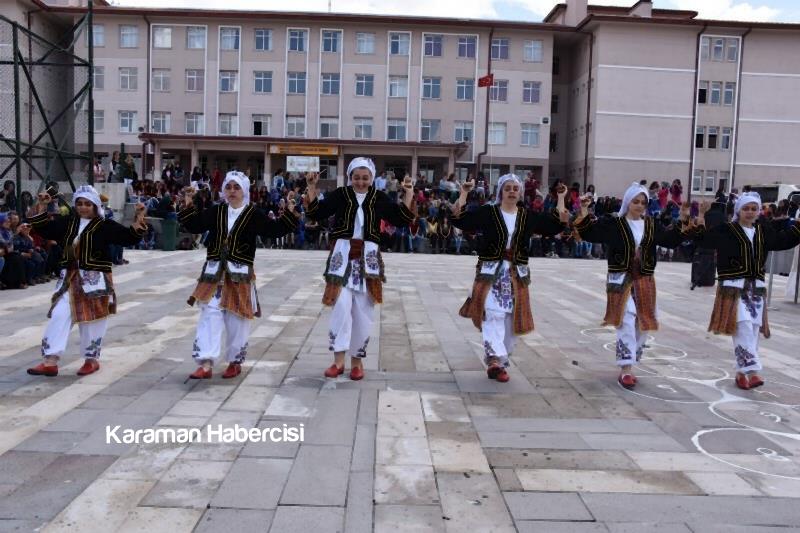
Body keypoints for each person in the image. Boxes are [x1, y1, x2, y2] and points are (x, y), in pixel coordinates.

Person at [178, 171, 300, 380]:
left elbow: (274, 230)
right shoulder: (216, 211)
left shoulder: (253, 214)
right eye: (229, 187)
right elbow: (194, 225)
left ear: (244, 191)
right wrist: (188, 201)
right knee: (210, 313)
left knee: (237, 318)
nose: (232, 191)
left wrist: (289, 210)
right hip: (214, 273)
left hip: (239, 274)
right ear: (224, 190)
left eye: (236, 187)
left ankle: (235, 361)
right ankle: (205, 362)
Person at [304, 158, 415, 381]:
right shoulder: (341, 194)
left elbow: (401, 217)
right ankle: (338, 361)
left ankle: (357, 362)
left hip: (368, 256)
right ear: (350, 177)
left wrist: (409, 192)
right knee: (341, 307)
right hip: (343, 254)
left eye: (365, 178)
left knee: (363, 311)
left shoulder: (378, 197)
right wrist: (311, 186)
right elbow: (317, 212)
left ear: (372, 179)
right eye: (356, 177)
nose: (361, 182)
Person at [451, 174, 569, 382]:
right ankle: (494, 360)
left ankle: (500, 360)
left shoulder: (528, 216)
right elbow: (460, 219)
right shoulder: (489, 212)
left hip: (517, 274)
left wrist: (561, 198)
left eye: (516, 188)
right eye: (508, 188)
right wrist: (464, 193)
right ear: (501, 192)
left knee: (510, 320)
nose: (512, 191)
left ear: (521, 193)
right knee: (493, 314)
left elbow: (556, 225)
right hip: (491, 271)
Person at [574, 182, 691, 389]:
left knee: (643, 322)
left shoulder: (652, 225)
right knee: (626, 318)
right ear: (628, 202)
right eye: (635, 202)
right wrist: (584, 209)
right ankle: (626, 368)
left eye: (643, 202)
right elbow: (589, 233)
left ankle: (632, 358)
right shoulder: (614, 223)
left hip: (645, 278)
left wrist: (683, 216)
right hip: (620, 277)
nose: (639, 205)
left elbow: (671, 240)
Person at [25, 186, 147, 377]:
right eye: (80, 204)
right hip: (69, 276)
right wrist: (42, 204)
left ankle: (91, 360)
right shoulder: (67, 222)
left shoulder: (105, 225)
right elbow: (42, 228)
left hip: (95, 278)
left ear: (95, 205)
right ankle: (50, 360)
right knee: (59, 313)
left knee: (92, 318)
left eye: (87, 204)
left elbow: (129, 237)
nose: (83, 208)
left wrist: (139, 217)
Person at [693, 193, 800, 390]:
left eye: (754, 209)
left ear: (759, 211)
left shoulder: (762, 230)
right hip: (733, 286)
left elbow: (782, 241)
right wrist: (700, 216)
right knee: (742, 325)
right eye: (746, 209)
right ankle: (753, 370)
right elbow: (704, 239)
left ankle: (741, 373)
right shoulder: (727, 230)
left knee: (752, 330)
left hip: (756, 288)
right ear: (738, 211)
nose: (750, 212)